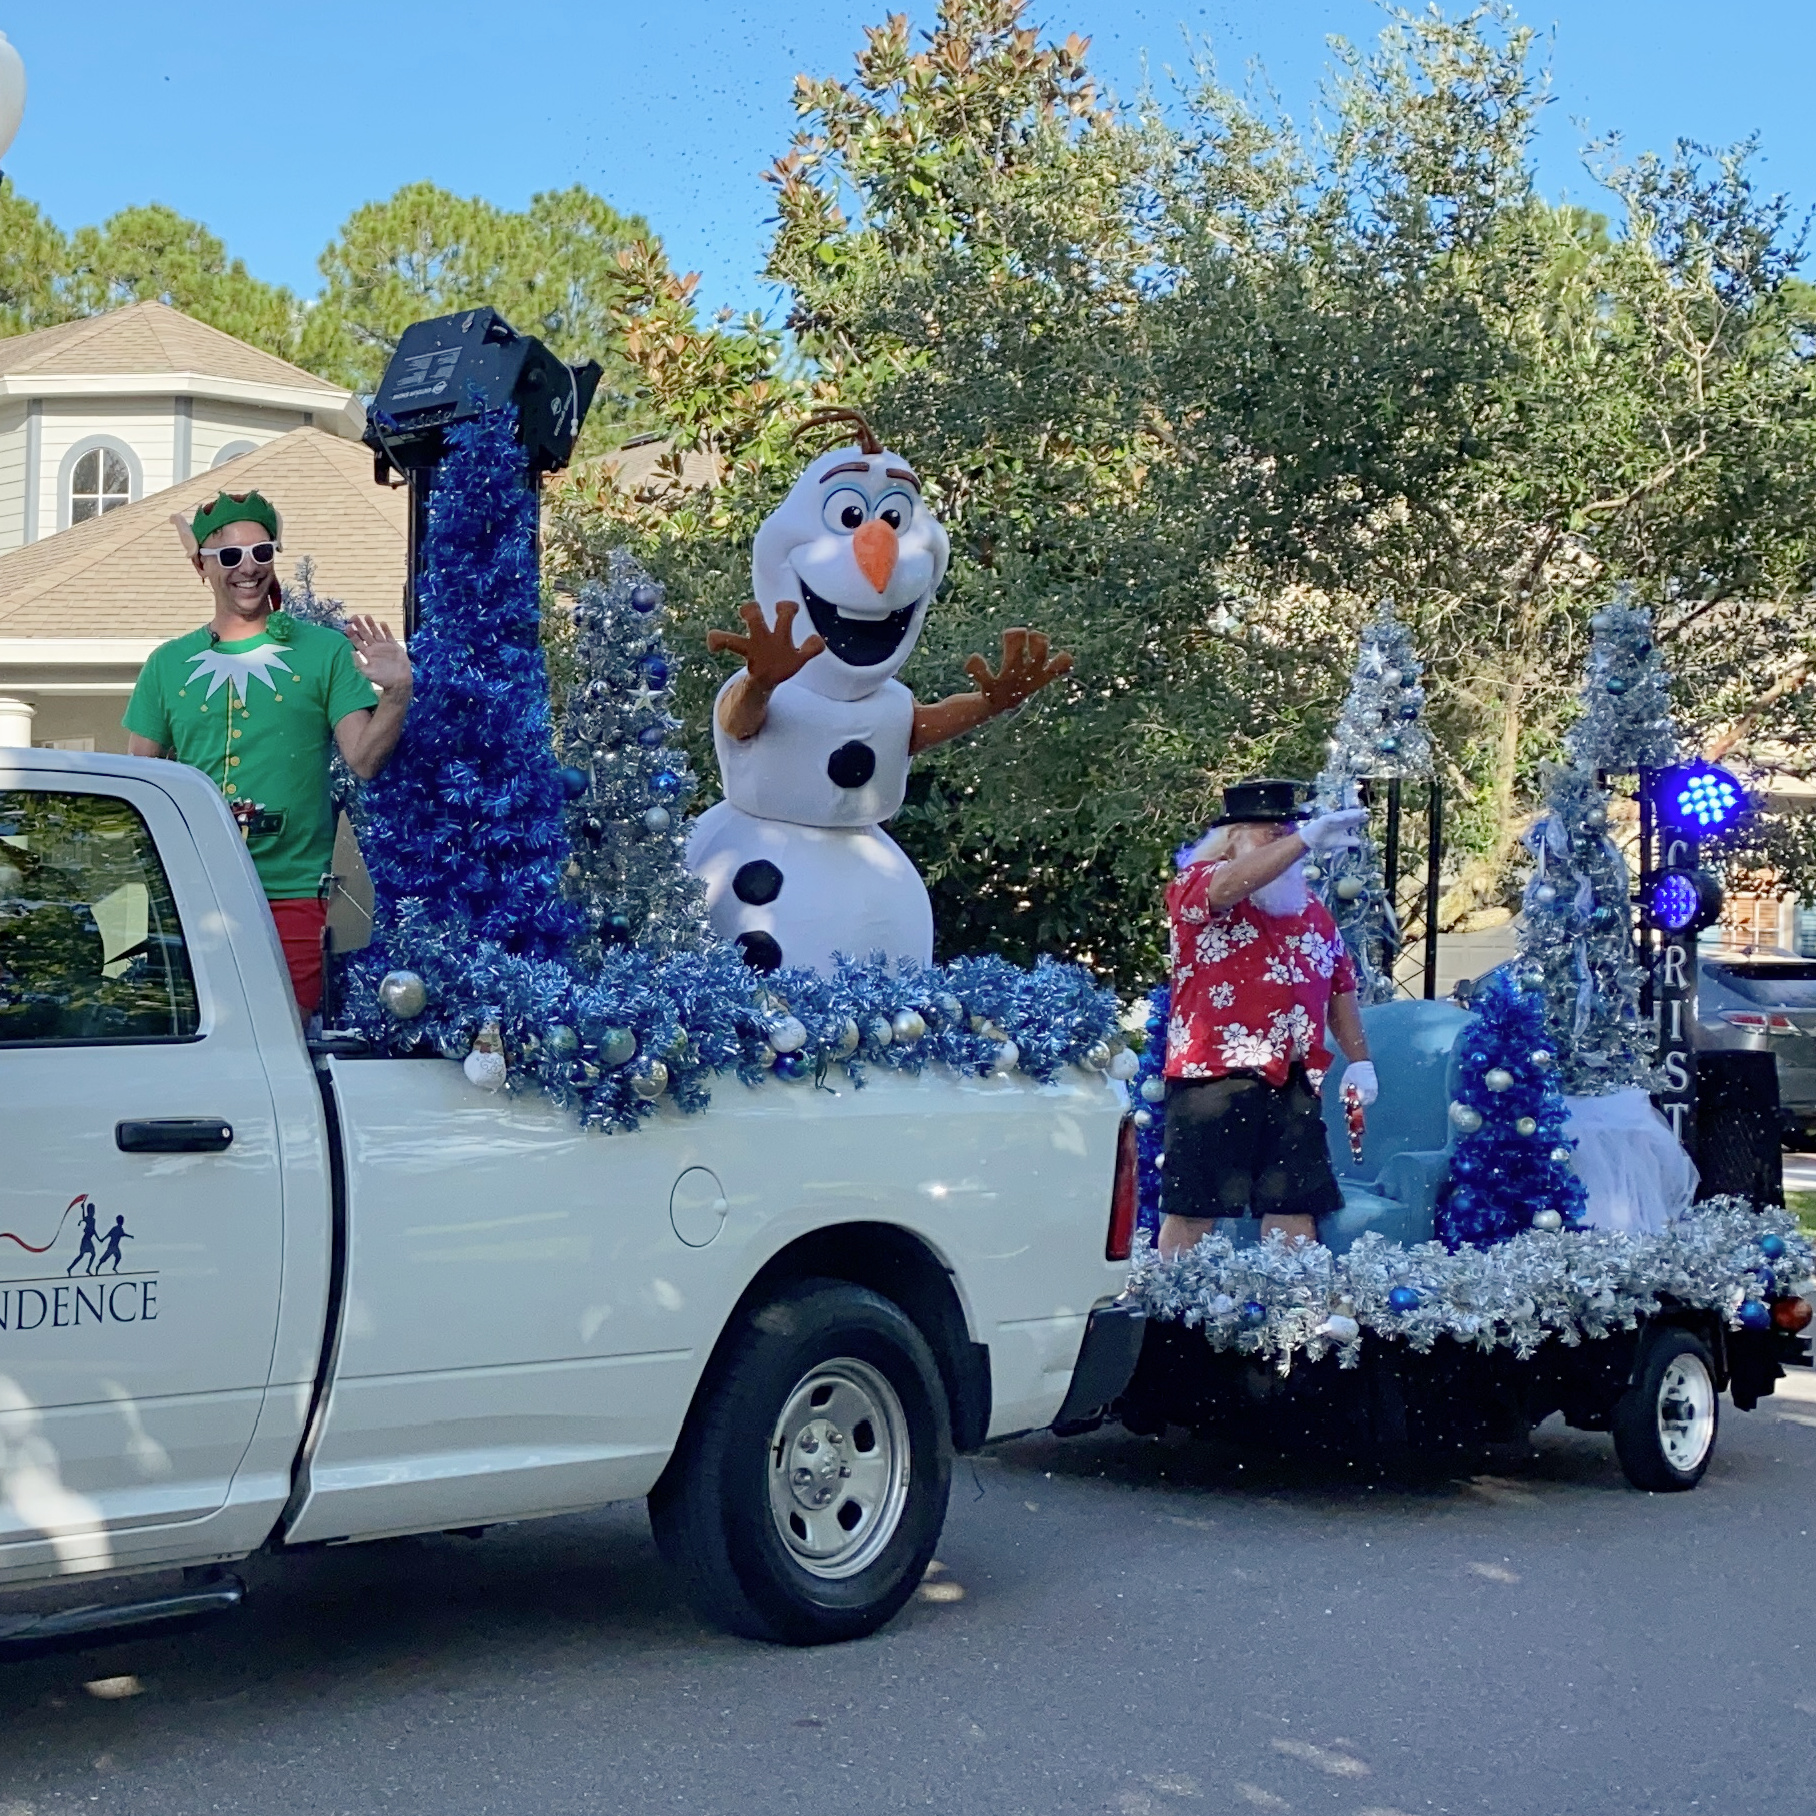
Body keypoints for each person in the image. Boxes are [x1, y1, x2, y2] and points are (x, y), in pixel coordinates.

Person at [123, 490, 413, 1017]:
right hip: (197, 894)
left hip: (295, 893)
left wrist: (396, 694)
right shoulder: (167, 664)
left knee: (285, 1043)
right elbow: (138, 785)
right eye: (231, 556)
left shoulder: (324, 651)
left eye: (262, 553)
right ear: (203, 566)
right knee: (201, 1043)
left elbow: (365, 760)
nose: (248, 568)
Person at [1157, 777, 1379, 1258]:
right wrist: (1302, 840)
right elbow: (1226, 886)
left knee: (1294, 1205)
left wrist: (1361, 1060)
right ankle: (1170, 1310)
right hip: (1213, 1078)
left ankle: (1291, 1312)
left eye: (1289, 833)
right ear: (1232, 838)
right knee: (1195, 1208)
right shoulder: (1196, 883)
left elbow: (1340, 984)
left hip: (1293, 1079)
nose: (1285, 845)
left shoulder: (1309, 908)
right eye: (1269, 834)